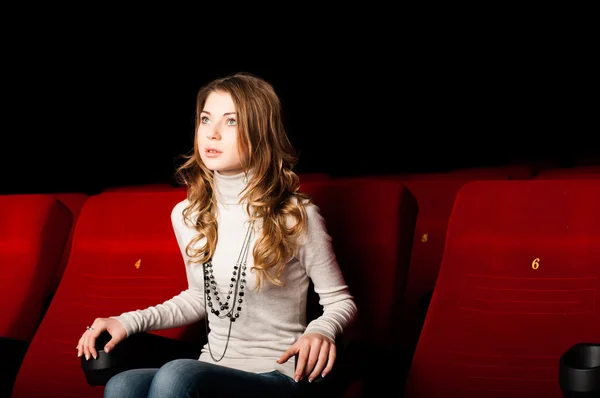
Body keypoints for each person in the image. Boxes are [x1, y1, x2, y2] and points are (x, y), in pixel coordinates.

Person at [76, 72, 358, 397]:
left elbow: (340, 301)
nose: (212, 133)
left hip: (278, 375)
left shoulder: (295, 215)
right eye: (206, 119)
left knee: (178, 374)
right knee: (121, 384)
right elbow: (200, 297)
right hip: (213, 366)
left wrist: (321, 331)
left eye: (231, 122)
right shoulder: (188, 215)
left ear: (259, 133)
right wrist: (127, 321)